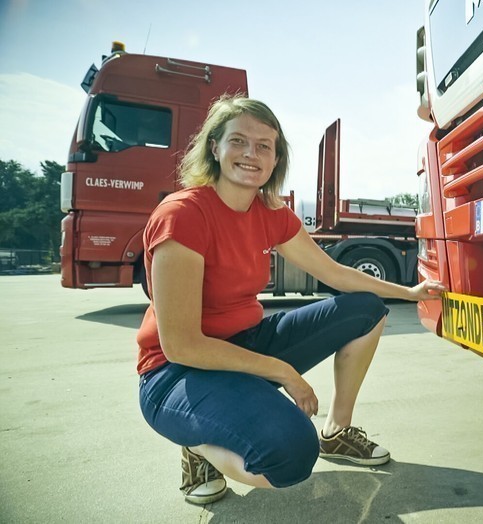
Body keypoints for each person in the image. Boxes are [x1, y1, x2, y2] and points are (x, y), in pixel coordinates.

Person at [136, 94, 444, 504]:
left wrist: (408, 292)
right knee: (291, 456)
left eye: (264, 145)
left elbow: (334, 273)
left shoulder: (271, 213)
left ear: (276, 157)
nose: (251, 153)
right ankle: (198, 444)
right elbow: (182, 345)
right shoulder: (183, 215)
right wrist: (283, 372)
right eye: (238, 141)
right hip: (177, 373)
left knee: (367, 309)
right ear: (214, 147)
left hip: (246, 344)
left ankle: (337, 432)